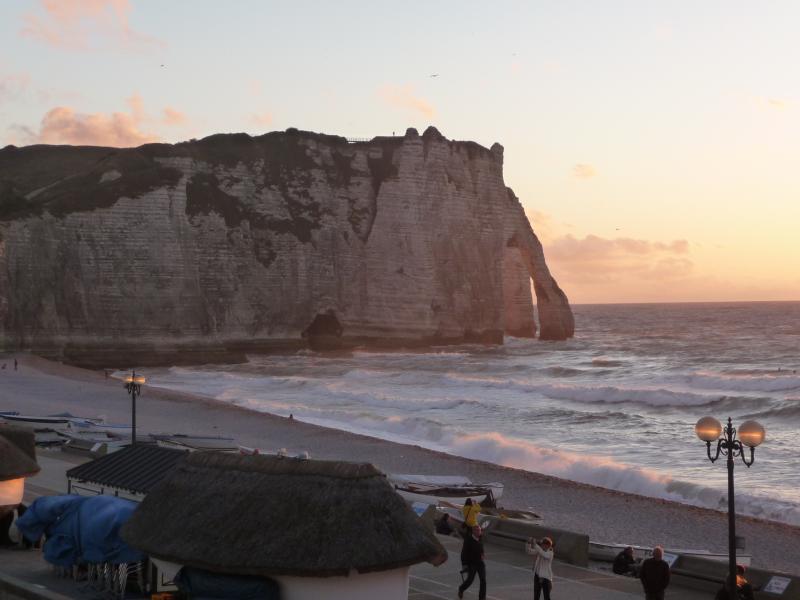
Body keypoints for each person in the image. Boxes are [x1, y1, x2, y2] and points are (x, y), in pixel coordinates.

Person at [458, 525, 486, 600]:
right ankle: (461, 588)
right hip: (471, 563)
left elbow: (481, 547)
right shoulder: (468, 540)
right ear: (473, 532)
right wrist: (464, 564)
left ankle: (482, 598)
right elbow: (463, 552)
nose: (479, 532)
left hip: (480, 563)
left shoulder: (480, 538)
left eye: (480, 530)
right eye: (477, 531)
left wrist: (482, 554)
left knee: (483, 580)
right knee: (470, 580)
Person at [526, 536, 555, 600]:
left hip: (546, 578)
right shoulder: (540, 551)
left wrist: (535, 544)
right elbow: (529, 551)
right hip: (537, 576)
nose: (541, 545)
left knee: (546, 597)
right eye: (541, 544)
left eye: (543, 544)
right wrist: (528, 543)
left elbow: (544, 554)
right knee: (536, 596)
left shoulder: (550, 553)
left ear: (548, 546)